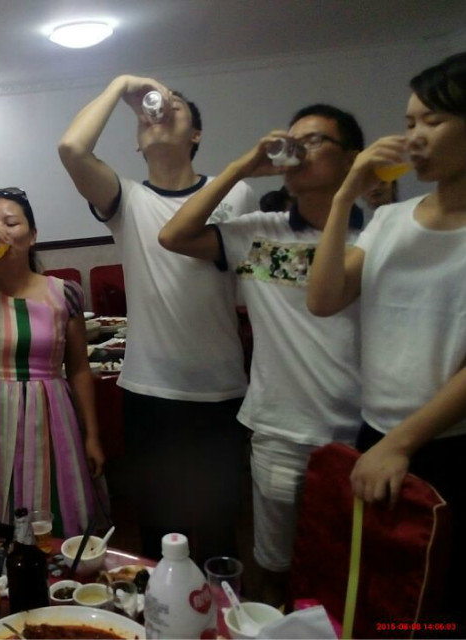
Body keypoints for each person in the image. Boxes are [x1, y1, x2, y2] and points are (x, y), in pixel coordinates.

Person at [159, 104, 366, 605]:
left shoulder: (379, 234)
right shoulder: (258, 233)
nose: (298, 152)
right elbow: (173, 235)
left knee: (351, 571)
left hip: (361, 433)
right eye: (293, 141)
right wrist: (241, 167)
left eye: (314, 141)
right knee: (273, 569)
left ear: (351, 159)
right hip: (280, 431)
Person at [58, 75, 256, 560]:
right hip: (149, 393)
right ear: (137, 142)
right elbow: (72, 149)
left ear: (196, 135)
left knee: (218, 534)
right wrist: (120, 86)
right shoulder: (127, 199)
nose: (160, 112)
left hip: (221, 390)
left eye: (177, 108)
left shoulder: (236, 194)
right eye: (149, 113)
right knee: (160, 537)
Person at [308, 53, 466, 626]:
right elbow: (324, 298)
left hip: (446, 443)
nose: (414, 137)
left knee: (440, 600)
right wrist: (345, 195)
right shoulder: (390, 222)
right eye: (408, 123)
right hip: (374, 432)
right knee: (376, 590)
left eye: (433, 121)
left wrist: (402, 443)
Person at [0, 187, 106, 537]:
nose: (0, 231)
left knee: (57, 507)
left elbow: (79, 369)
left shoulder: (65, 292)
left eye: (11, 223)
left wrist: (92, 435)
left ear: (33, 234)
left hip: (52, 413)